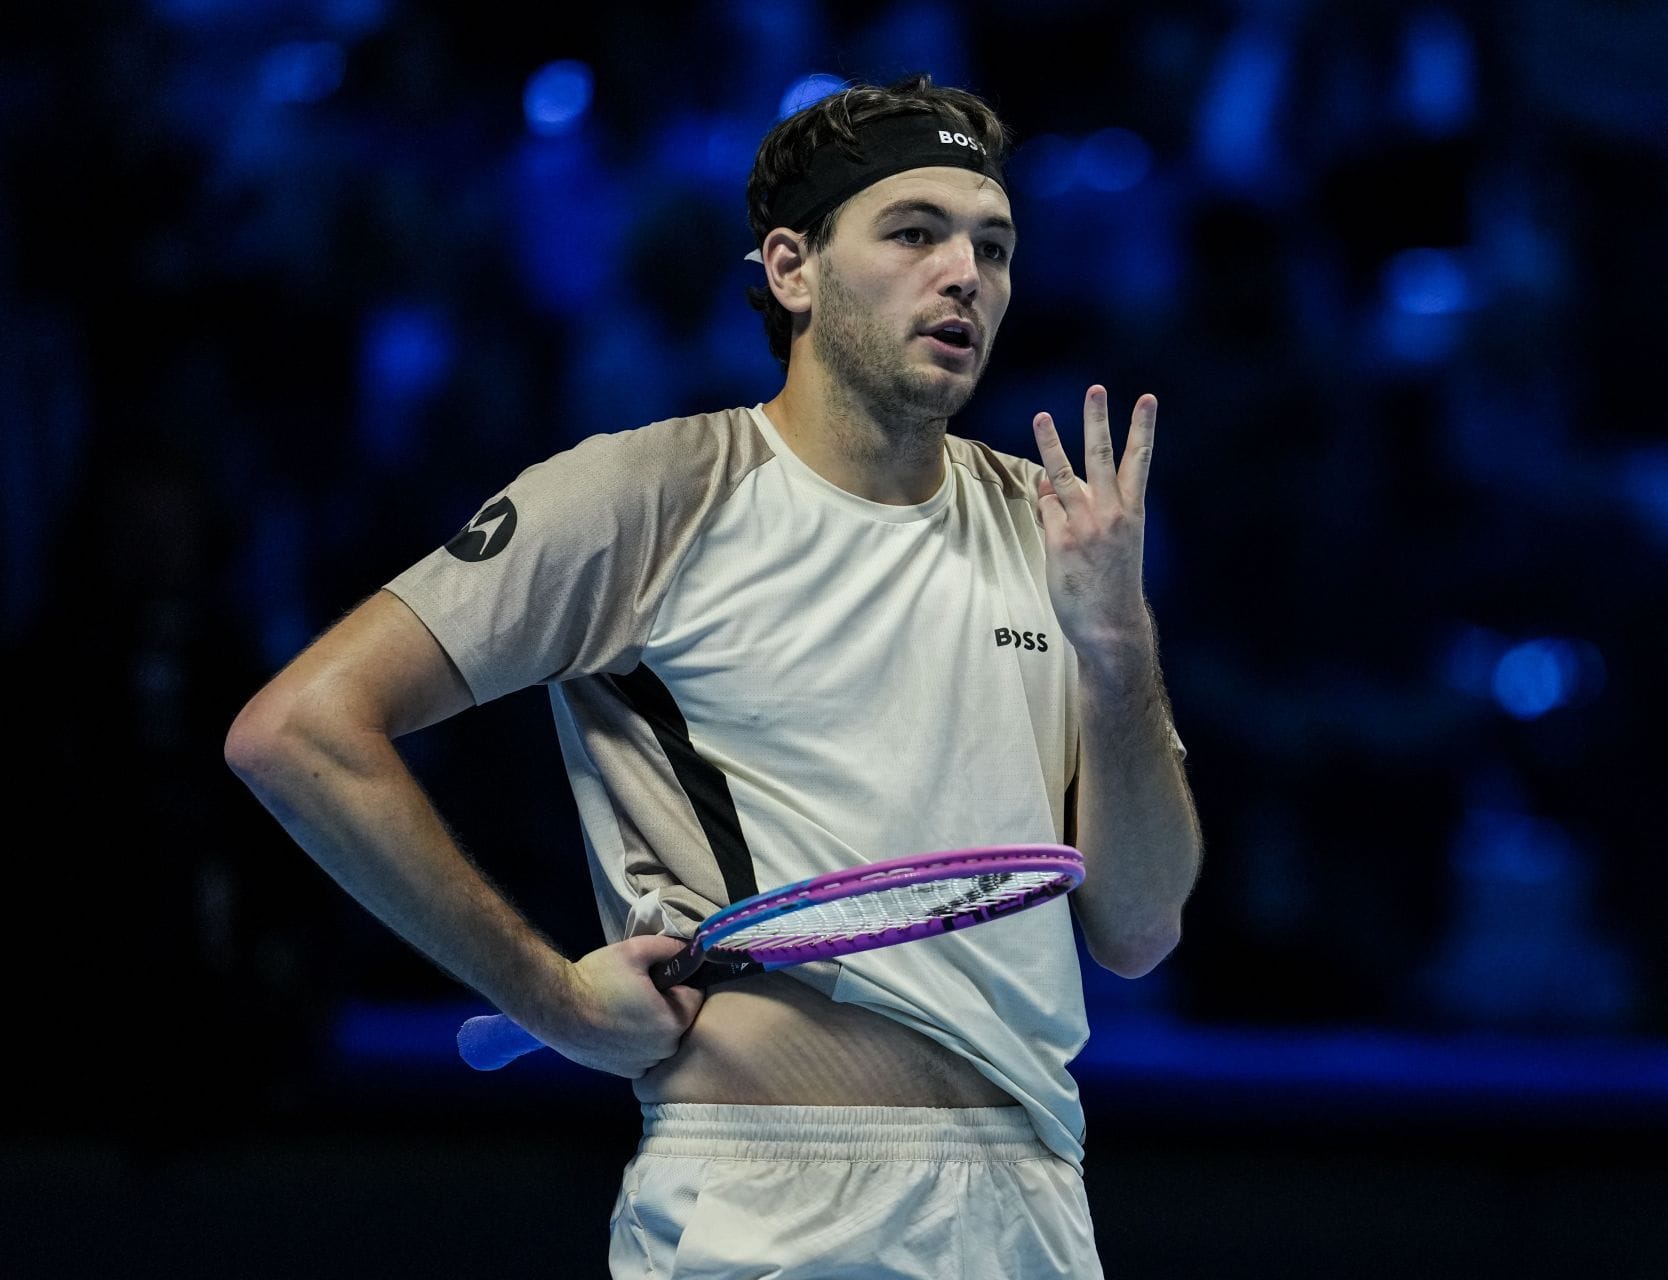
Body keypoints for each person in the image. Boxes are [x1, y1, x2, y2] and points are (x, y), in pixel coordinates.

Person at [224, 72, 1203, 1279]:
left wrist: (1118, 648)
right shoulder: (655, 495)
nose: (966, 275)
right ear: (791, 268)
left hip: (1038, 1206)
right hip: (768, 1208)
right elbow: (302, 731)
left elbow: (1142, 924)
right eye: (914, 233)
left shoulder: (1055, 530)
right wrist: (554, 997)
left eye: (993, 246)